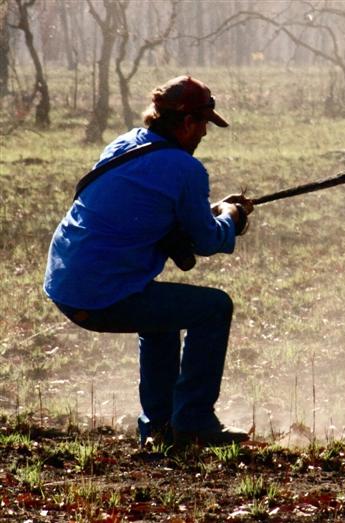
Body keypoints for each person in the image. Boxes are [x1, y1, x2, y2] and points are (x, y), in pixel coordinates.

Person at [43, 76, 254, 446]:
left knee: (163, 317)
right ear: (187, 122)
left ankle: (158, 427)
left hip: (65, 283)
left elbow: (148, 203)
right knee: (215, 308)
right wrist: (231, 218)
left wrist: (214, 212)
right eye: (204, 123)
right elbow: (206, 240)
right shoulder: (186, 169)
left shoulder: (125, 143)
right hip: (99, 295)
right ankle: (193, 423)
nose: (205, 132)